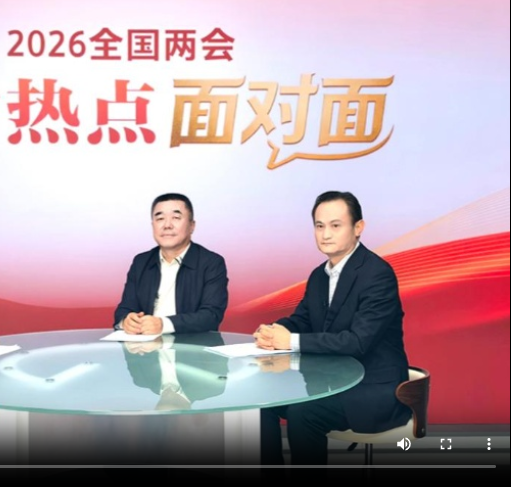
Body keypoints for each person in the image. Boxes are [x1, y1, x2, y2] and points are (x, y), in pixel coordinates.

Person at [254, 191, 410, 465]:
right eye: (319, 226)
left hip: (372, 387)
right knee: (259, 399)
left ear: (358, 228)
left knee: (304, 413)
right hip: (329, 381)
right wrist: (273, 330)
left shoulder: (377, 274)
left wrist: (290, 341)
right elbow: (302, 320)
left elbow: (358, 342)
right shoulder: (319, 275)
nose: (325, 234)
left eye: (336, 225)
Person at [114, 193, 229, 334]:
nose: (167, 225)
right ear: (153, 225)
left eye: (176, 218)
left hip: (192, 345)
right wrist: (126, 320)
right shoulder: (141, 262)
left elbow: (211, 315)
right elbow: (125, 308)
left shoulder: (211, 263)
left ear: (192, 226)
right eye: (160, 218)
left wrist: (163, 324)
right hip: (144, 346)